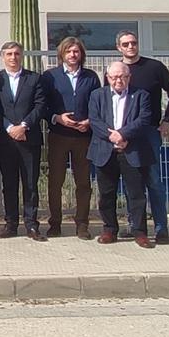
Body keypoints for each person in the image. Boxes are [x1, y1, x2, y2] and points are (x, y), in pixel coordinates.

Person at [88, 61, 158, 248]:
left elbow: (144, 119)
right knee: (107, 193)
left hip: (132, 150)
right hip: (105, 151)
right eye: (114, 77)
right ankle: (109, 229)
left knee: (136, 194)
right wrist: (113, 136)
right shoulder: (97, 95)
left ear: (129, 77)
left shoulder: (141, 95)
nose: (118, 80)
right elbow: (94, 120)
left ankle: (140, 232)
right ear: (107, 78)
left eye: (122, 76)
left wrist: (124, 135)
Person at [112, 31, 169, 244]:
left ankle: (160, 228)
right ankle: (135, 226)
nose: (130, 46)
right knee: (132, 181)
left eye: (133, 43)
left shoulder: (154, 67)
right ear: (119, 47)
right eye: (125, 44)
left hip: (148, 132)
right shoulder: (116, 70)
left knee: (154, 180)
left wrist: (166, 119)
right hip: (126, 133)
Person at [39, 36, 99, 239]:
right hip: (59, 136)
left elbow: (98, 104)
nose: (73, 55)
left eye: (76, 51)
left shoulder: (91, 77)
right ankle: (55, 223)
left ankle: (82, 224)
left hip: (84, 137)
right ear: (61, 54)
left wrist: (90, 121)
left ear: (81, 54)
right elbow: (42, 106)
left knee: (83, 182)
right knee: (55, 181)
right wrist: (57, 118)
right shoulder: (50, 77)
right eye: (68, 51)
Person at [0, 41, 47, 240]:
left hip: (28, 137)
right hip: (6, 139)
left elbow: (40, 106)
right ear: (3, 57)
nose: (13, 57)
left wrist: (23, 126)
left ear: (21, 56)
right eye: (9, 54)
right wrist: (8, 127)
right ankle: (11, 224)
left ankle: (32, 225)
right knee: (9, 182)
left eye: (16, 54)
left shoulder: (34, 78)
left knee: (30, 183)